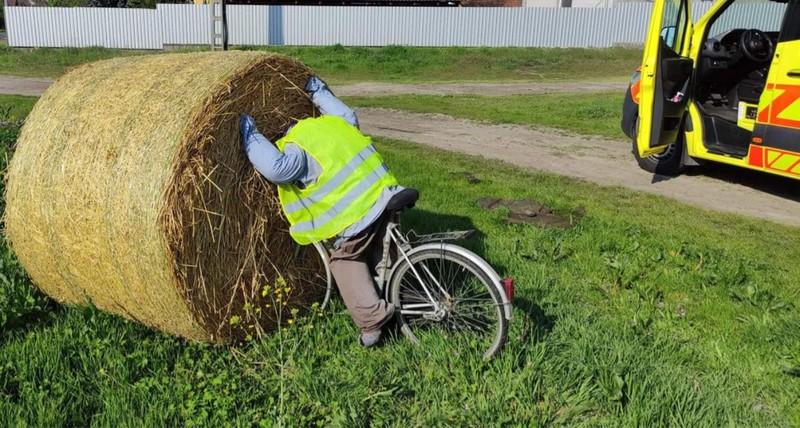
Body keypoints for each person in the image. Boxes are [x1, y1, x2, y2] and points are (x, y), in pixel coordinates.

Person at [240, 76, 404, 347]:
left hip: (358, 211)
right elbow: (347, 112)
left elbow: (276, 169)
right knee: (381, 245)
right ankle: (403, 291)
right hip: (386, 192)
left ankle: (372, 323)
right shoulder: (334, 124)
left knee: (344, 259)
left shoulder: (299, 147)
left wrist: (250, 135)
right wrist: (317, 90)